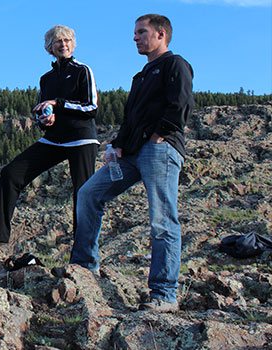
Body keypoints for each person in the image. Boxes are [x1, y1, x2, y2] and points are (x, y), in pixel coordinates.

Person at [70, 14, 194, 312]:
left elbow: (182, 105)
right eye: (135, 32)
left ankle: (164, 294)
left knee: (162, 219)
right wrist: (116, 146)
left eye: (141, 32)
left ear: (161, 34)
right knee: (89, 193)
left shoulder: (174, 64)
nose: (135, 37)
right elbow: (131, 119)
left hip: (159, 150)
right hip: (132, 153)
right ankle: (84, 266)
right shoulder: (141, 75)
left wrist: (158, 135)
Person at [0, 25, 99, 251]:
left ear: (74, 44)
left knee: (83, 193)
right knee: (11, 173)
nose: (64, 44)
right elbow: (42, 110)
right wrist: (44, 119)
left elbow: (91, 108)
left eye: (68, 40)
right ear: (49, 47)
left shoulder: (82, 70)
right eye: (58, 41)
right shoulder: (46, 79)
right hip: (54, 139)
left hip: (81, 139)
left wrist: (57, 103)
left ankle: (84, 253)